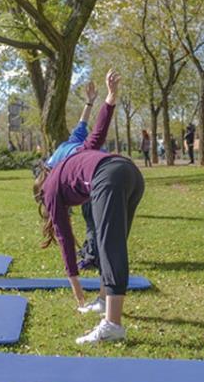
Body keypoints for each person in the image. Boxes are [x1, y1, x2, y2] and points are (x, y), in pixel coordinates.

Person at [33, 69, 144, 343]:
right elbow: (97, 134)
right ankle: (104, 301)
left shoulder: (50, 187)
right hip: (130, 172)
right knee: (113, 243)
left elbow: (65, 238)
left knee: (109, 246)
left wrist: (76, 291)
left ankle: (113, 325)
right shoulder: (74, 158)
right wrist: (110, 98)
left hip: (108, 177)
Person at [44, 81, 101, 273]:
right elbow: (83, 122)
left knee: (92, 218)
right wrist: (89, 102)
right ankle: (90, 249)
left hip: (94, 177)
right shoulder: (73, 141)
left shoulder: (64, 155)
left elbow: (83, 123)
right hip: (92, 176)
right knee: (92, 218)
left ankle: (92, 256)